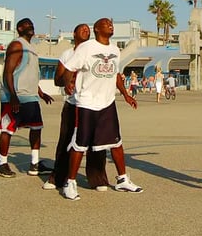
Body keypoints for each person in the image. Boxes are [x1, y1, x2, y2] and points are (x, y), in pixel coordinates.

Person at [61, 18, 142, 200]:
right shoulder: (87, 48)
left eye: (111, 23)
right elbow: (68, 67)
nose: (110, 25)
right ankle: (70, 182)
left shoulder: (114, 50)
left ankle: (122, 180)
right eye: (106, 23)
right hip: (87, 103)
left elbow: (116, 74)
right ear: (97, 29)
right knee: (80, 145)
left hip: (107, 103)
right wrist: (68, 83)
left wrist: (126, 94)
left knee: (116, 143)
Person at [43, 23, 109, 192]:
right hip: (73, 104)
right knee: (66, 141)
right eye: (82, 28)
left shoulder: (96, 51)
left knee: (97, 143)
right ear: (74, 33)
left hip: (94, 105)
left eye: (88, 29)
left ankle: (98, 178)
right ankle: (58, 176)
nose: (86, 30)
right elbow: (57, 80)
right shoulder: (67, 54)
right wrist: (67, 81)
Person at [0, 18, 54, 178]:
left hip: (30, 96)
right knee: (7, 129)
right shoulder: (17, 45)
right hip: (14, 97)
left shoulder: (32, 48)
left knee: (36, 128)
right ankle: (2, 164)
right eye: (26, 24)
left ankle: (35, 164)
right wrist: (13, 96)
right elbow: (8, 72)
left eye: (32, 24)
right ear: (19, 28)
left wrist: (41, 93)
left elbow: (31, 75)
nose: (30, 26)